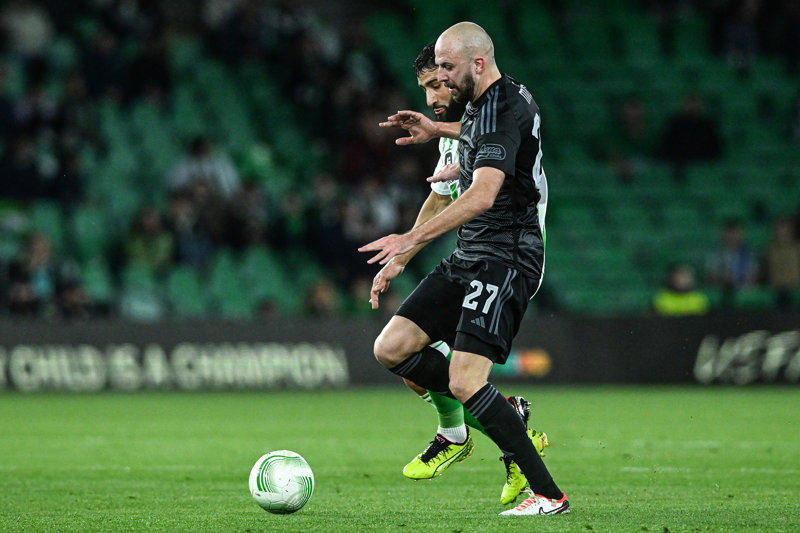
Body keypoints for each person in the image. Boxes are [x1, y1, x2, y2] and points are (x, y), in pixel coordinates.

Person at [360, 22, 568, 516]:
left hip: (506, 256)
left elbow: (482, 195)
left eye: (447, 69)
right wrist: (438, 131)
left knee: (465, 380)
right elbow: (485, 137)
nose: (443, 80)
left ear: (477, 62)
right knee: (392, 346)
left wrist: (409, 240)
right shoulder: (488, 101)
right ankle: (499, 417)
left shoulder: (499, 107)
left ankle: (548, 495)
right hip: (471, 253)